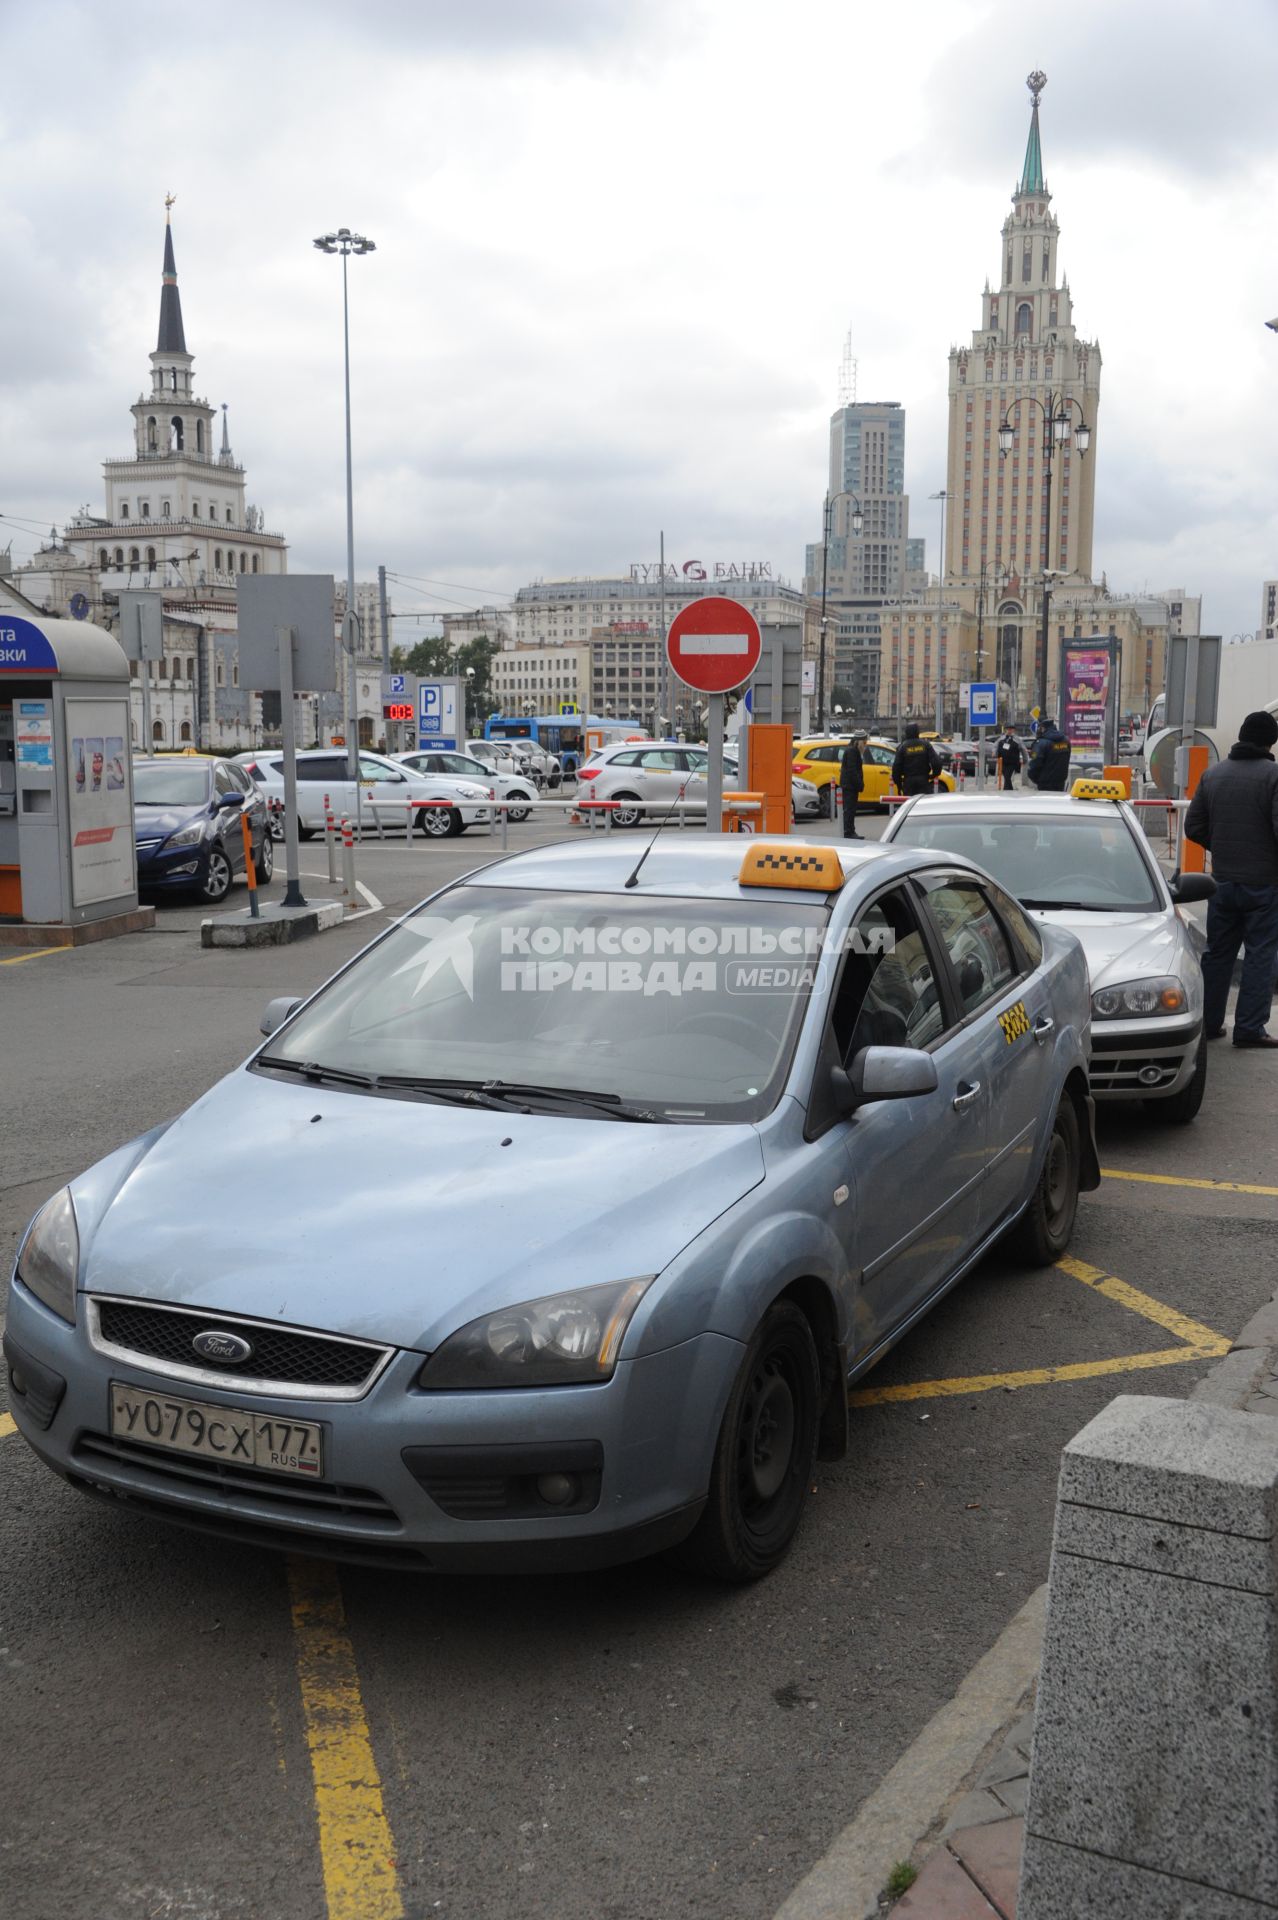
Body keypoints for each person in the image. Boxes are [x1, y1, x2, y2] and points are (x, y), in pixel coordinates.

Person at [1183, 709, 1278, 1049]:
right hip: (1264, 885)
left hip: (1221, 883)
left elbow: (1192, 827)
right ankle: (1249, 1028)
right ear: (1271, 741)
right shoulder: (1274, 776)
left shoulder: (1213, 774)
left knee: (1218, 953)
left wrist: (1222, 847)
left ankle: (1209, 1024)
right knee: (1260, 954)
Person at [891, 723, 943, 797]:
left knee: (910, 806)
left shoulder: (902, 747)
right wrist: (933, 775)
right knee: (923, 805)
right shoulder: (926, 745)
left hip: (908, 783)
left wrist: (899, 785)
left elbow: (896, 768)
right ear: (918, 732)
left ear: (906, 733)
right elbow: (937, 763)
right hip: (924, 782)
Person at [1027, 718, 1072, 791]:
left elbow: (1034, 763)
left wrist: (1035, 778)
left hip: (1044, 783)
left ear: (1042, 728)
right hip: (1060, 782)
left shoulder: (1040, 743)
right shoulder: (1066, 740)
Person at [839, 732, 866, 838]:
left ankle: (850, 831)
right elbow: (852, 770)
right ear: (859, 742)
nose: (865, 744)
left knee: (851, 809)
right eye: (864, 742)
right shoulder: (852, 751)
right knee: (849, 809)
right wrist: (859, 784)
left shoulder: (853, 750)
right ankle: (849, 832)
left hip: (850, 785)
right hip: (850, 786)